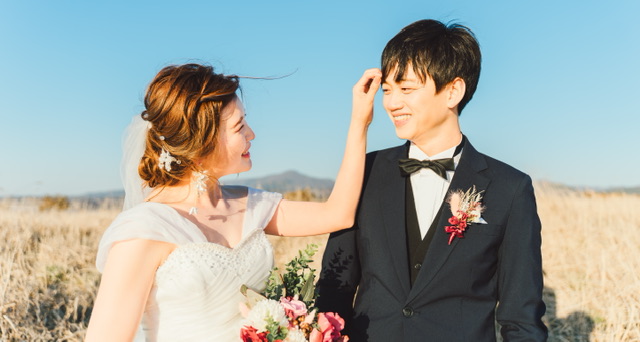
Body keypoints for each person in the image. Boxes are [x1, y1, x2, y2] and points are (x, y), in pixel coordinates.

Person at [85, 63, 381, 342]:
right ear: (202, 142)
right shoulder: (145, 229)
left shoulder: (252, 204)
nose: (252, 133)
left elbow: (338, 214)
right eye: (239, 127)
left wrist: (360, 122)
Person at [317, 20, 547, 341]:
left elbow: (522, 318)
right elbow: (333, 289)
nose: (391, 103)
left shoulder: (509, 188)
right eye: (387, 90)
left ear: (452, 91)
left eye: (406, 89)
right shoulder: (364, 171)